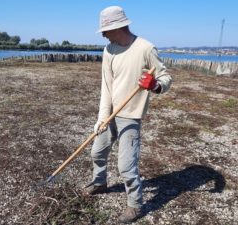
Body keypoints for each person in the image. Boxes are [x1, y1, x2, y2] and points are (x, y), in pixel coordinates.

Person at [84, 5, 172, 224]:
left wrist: (155, 85)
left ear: (119, 27)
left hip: (131, 116)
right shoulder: (108, 50)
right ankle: (99, 182)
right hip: (110, 113)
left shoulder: (145, 48)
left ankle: (135, 205)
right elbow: (106, 85)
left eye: (106, 30)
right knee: (97, 151)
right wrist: (102, 117)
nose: (103, 34)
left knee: (126, 166)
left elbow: (165, 78)